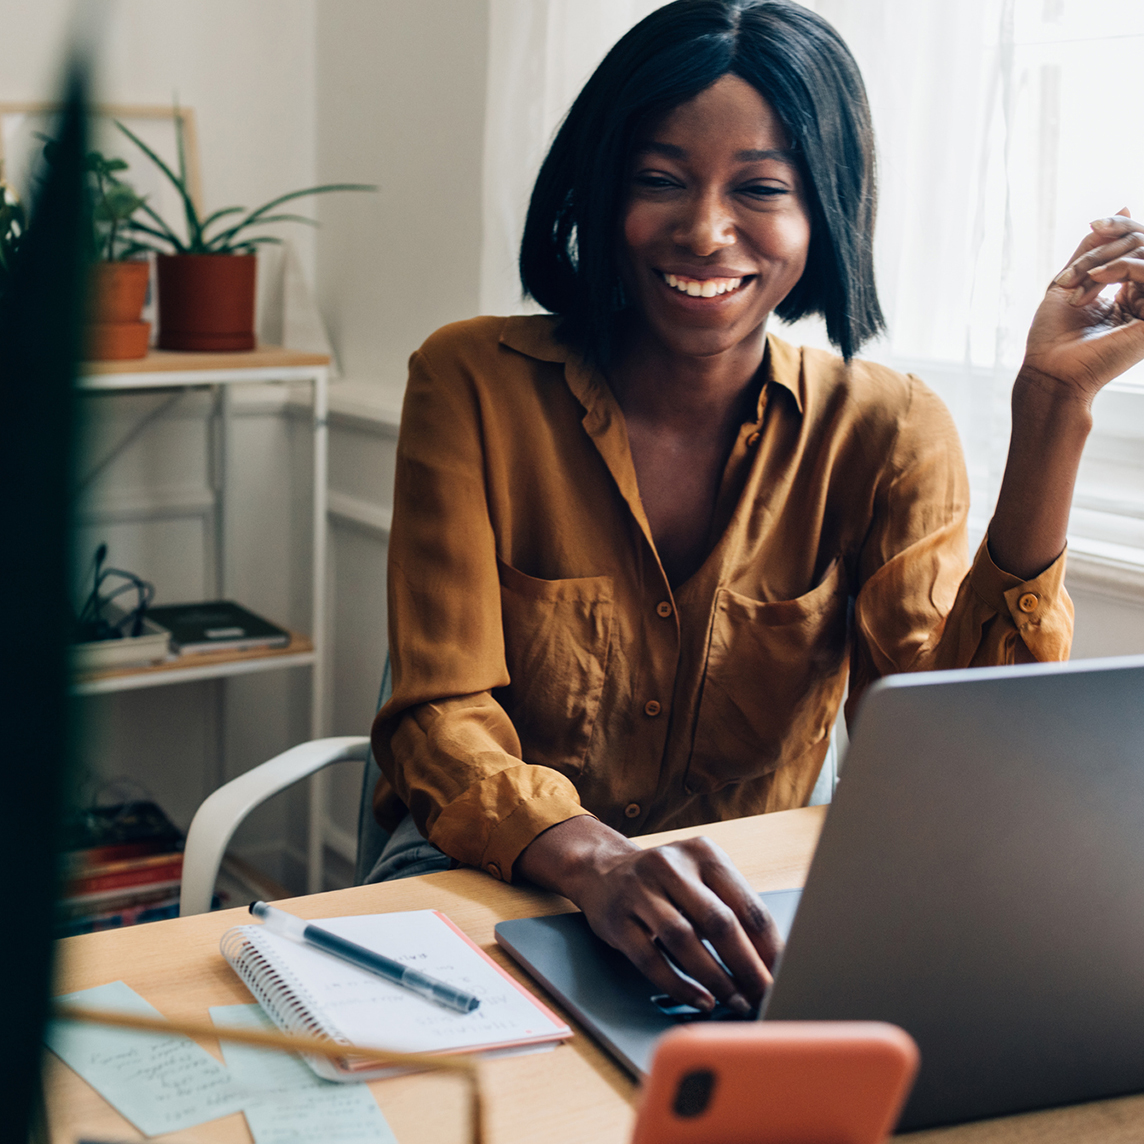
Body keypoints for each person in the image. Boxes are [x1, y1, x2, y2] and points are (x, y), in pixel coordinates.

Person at [368, 0, 1144, 1018]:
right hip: (485, 878)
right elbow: (438, 714)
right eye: (659, 180)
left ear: (822, 208)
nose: (702, 229)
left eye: (760, 188)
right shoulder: (470, 380)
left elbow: (953, 763)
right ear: (602, 192)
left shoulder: (888, 430)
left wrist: (1050, 409)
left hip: (735, 922)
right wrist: (598, 863)